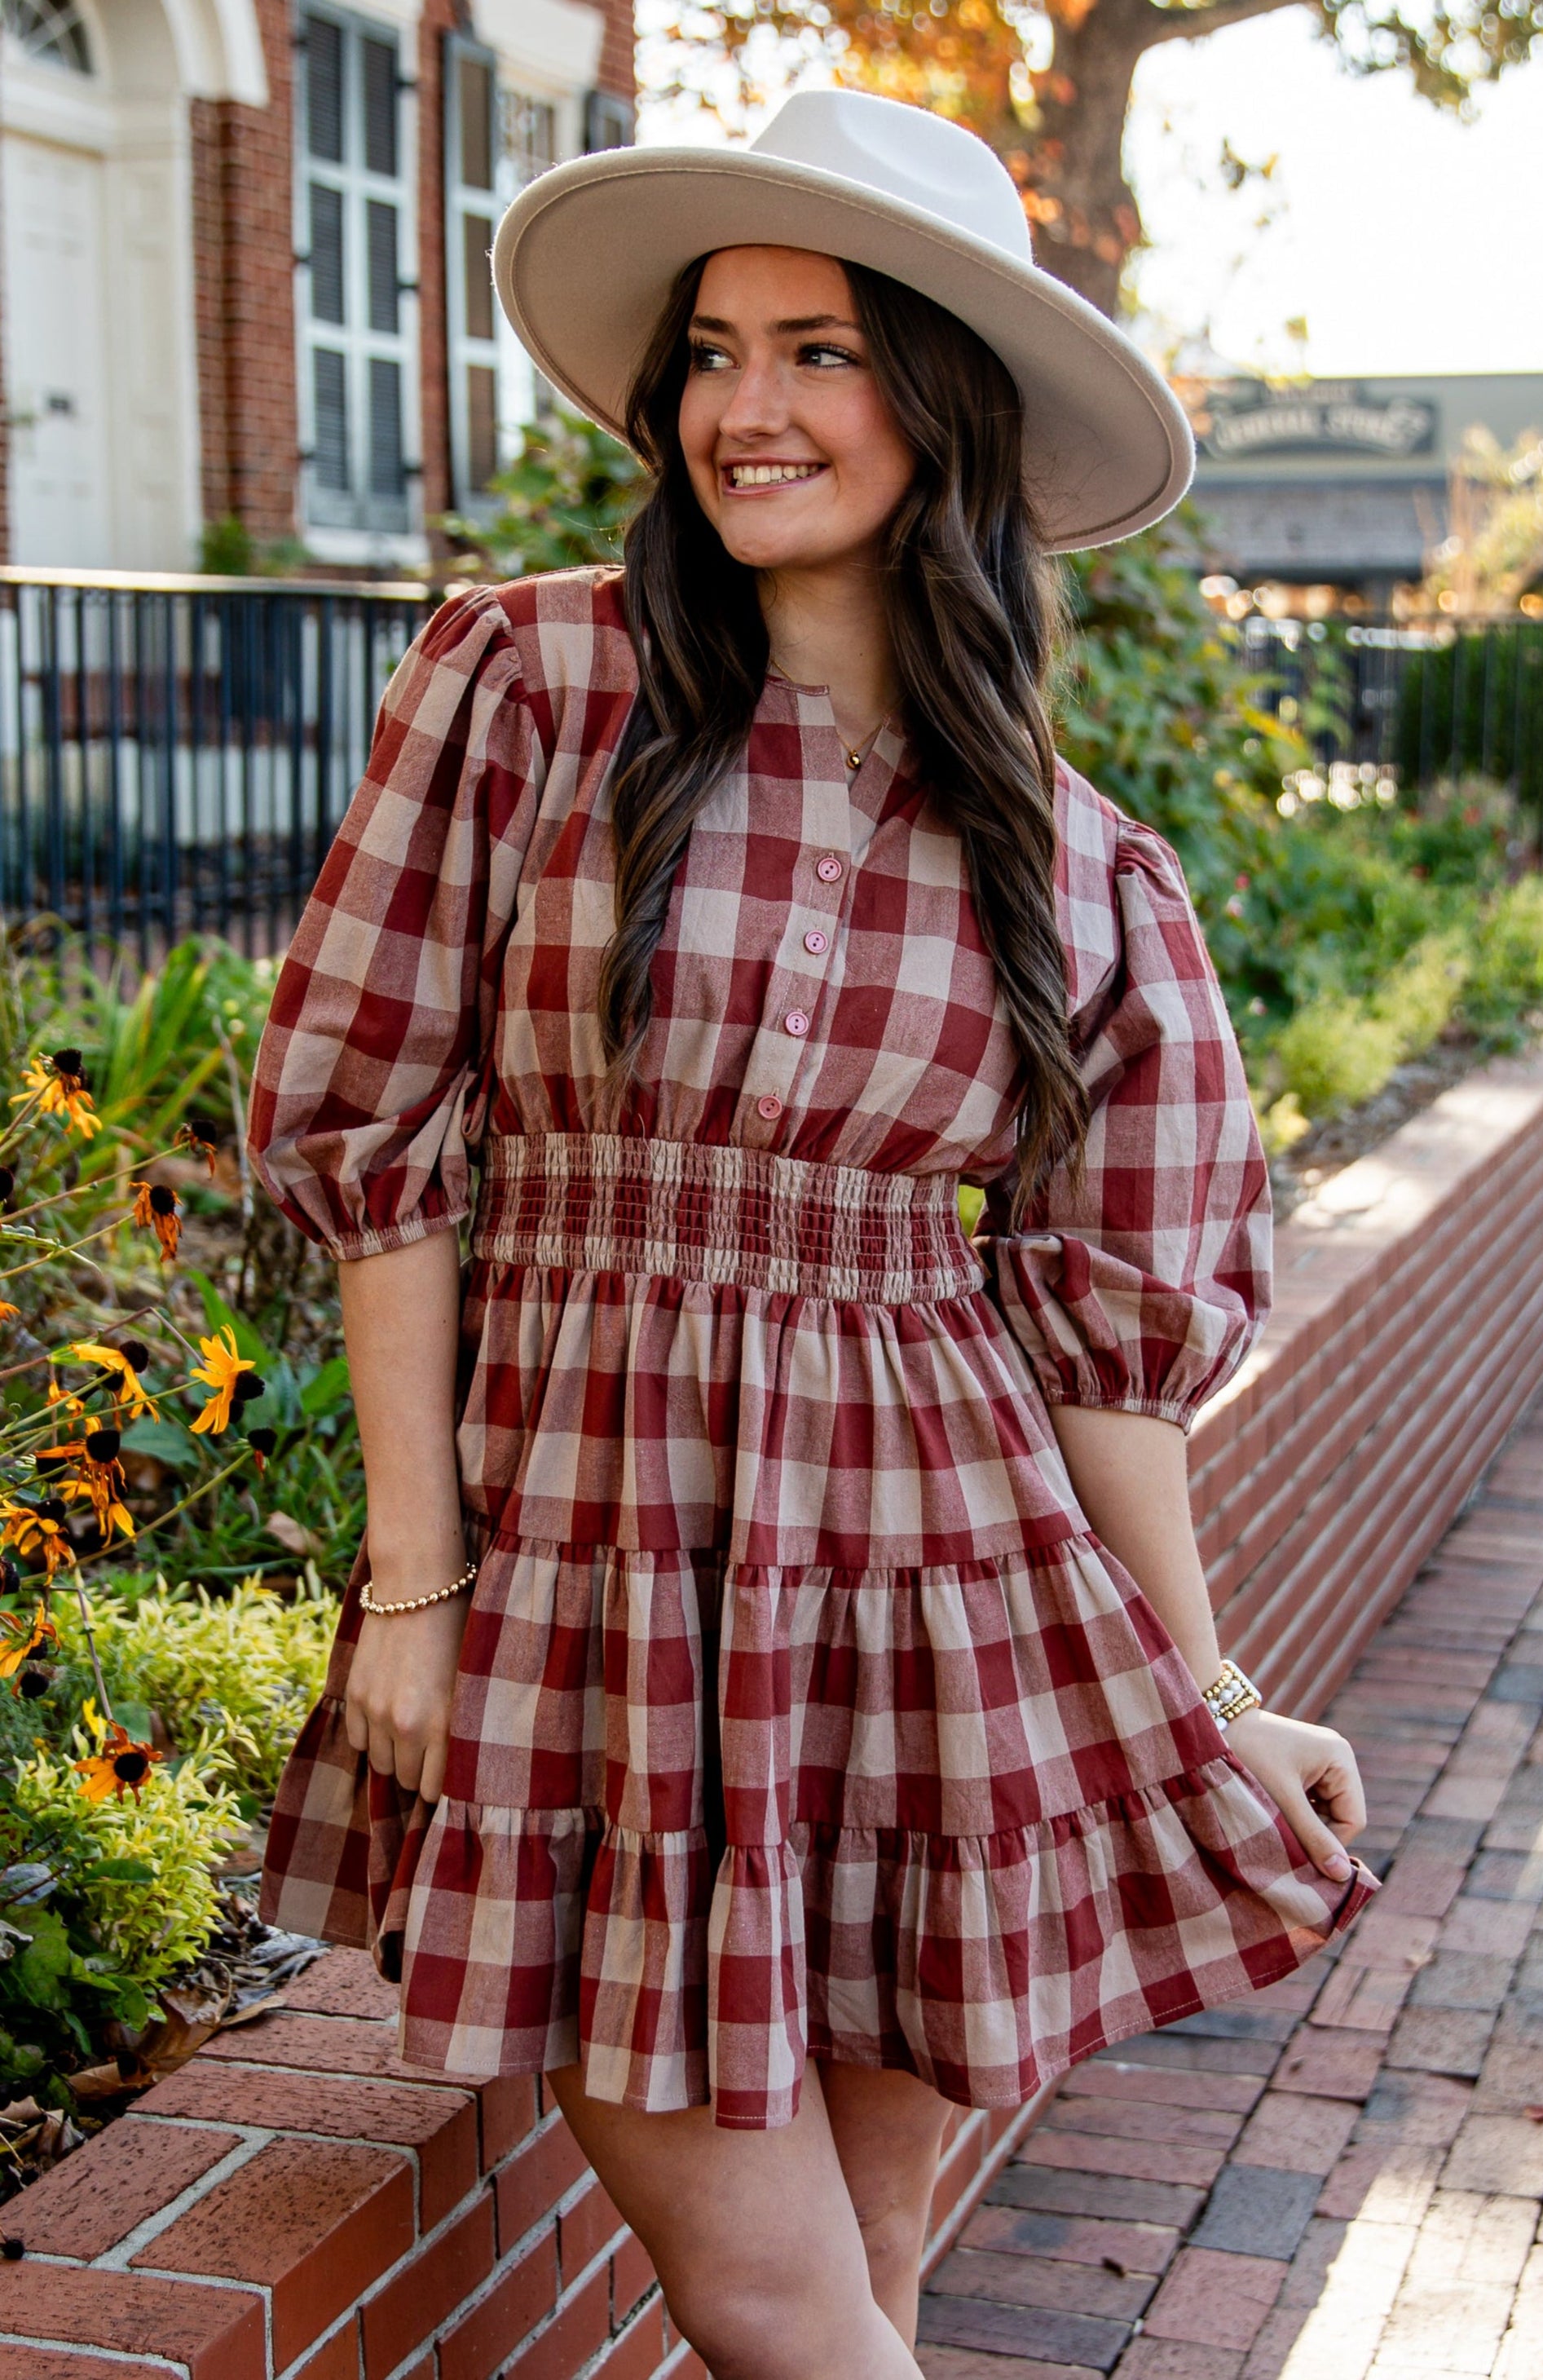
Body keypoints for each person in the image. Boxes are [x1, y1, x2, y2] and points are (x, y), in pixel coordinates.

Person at [250, 88, 1373, 2380]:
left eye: (819, 350)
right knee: (779, 2296)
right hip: (589, 1579)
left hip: (925, 1610)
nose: (741, 408)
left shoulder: (1080, 862)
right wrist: (416, 1579)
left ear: (944, 400)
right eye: (711, 351)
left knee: (863, 2272)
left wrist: (1215, 1701)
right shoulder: (528, 682)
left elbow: (1104, 1351)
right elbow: (377, 1131)